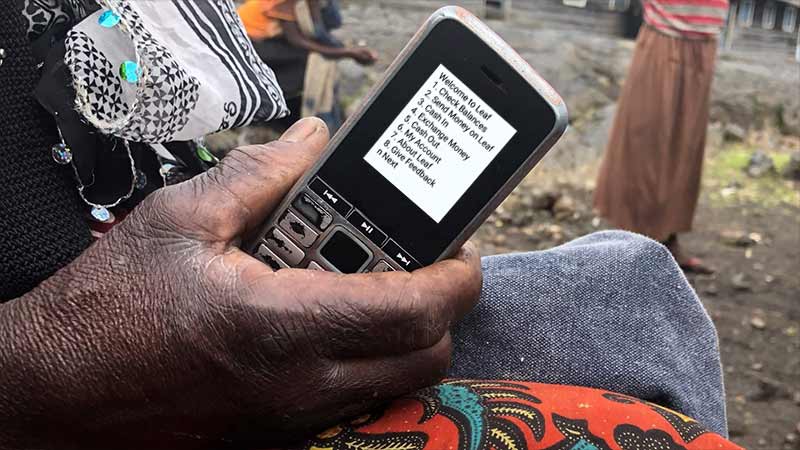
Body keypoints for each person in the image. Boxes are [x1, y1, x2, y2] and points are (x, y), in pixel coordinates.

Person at [0, 2, 732, 448]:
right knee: (633, 301)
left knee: (629, 283)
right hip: (79, 386)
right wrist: (38, 378)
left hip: (209, 262)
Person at [593, 0, 729, 274]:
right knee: (646, 138)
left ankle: (667, 238)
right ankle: (627, 242)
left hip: (704, 43)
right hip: (664, 37)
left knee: (685, 146)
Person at [239, 0, 377, 131]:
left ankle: (276, 104)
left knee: (310, 59)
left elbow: (320, 30)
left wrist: (344, 51)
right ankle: (267, 104)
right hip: (246, 43)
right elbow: (296, 40)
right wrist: (347, 52)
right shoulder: (285, 2)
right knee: (307, 63)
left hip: (264, 39)